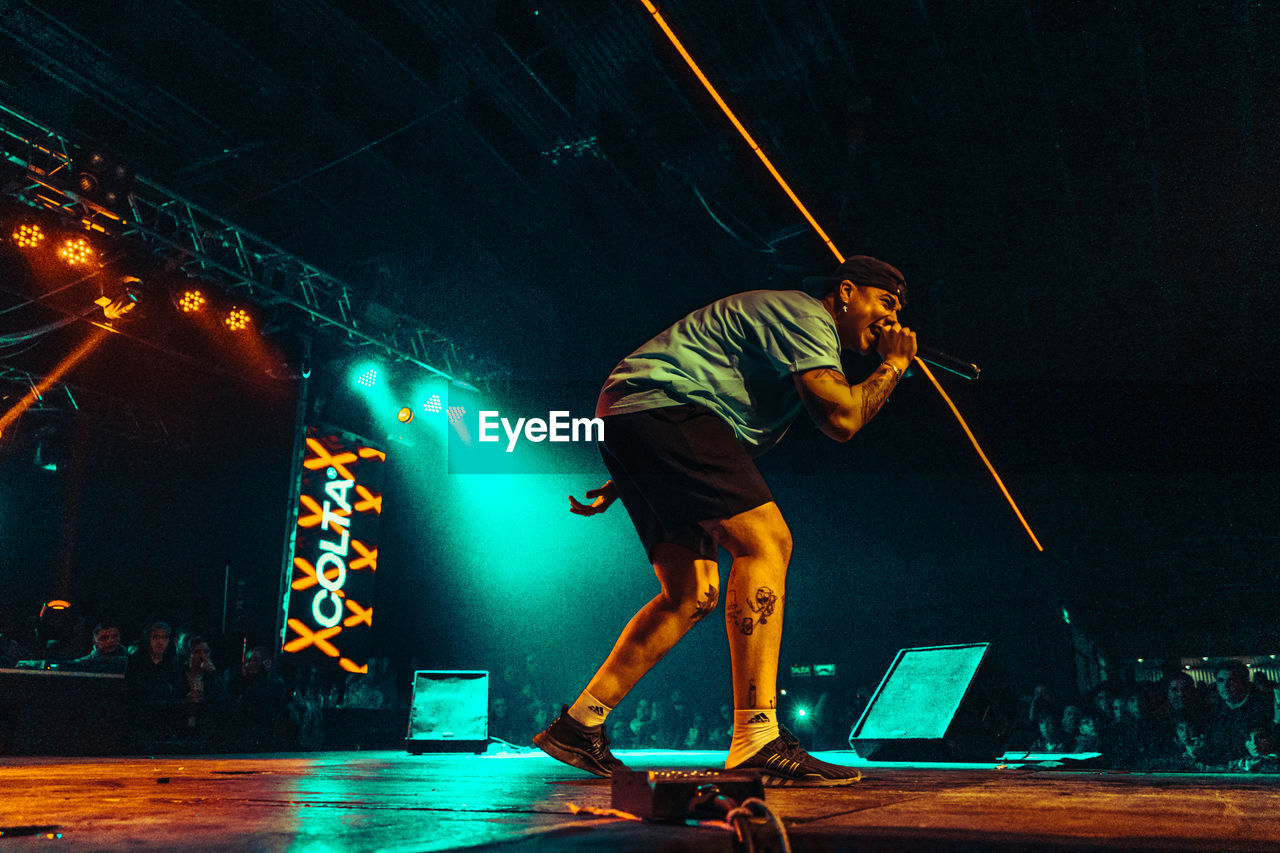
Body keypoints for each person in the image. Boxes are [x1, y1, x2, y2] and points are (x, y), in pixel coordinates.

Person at [533, 256, 916, 786]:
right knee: (767, 541)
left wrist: (628, 478)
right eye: (887, 303)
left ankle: (578, 725)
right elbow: (843, 419)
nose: (893, 321)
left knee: (690, 592)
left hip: (638, 418)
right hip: (665, 410)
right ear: (846, 292)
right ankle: (757, 737)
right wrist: (894, 365)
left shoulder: (795, 332)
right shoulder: (809, 317)